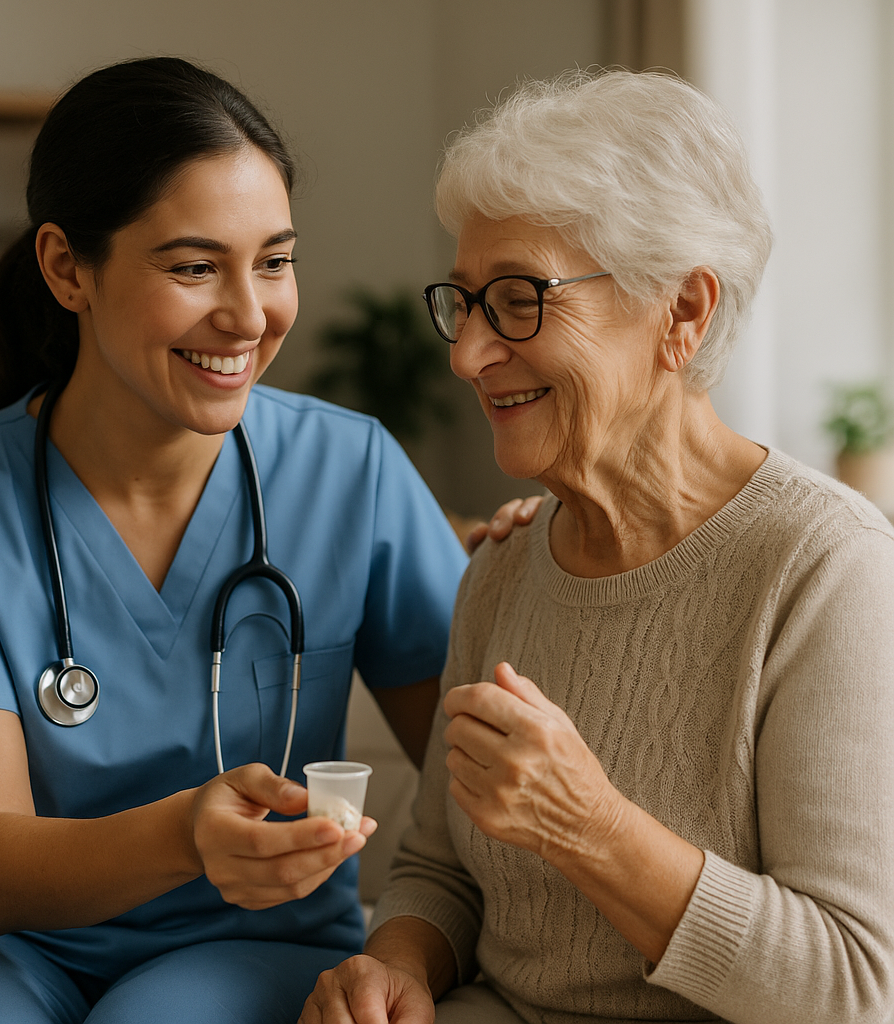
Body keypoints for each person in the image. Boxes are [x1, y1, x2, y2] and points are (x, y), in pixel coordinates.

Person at [0, 56, 473, 1024]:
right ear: (67, 267)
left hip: (254, 938)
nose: (248, 314)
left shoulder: (349, 472)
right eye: (194, 266)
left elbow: (467, 788)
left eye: (274, 261)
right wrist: (186, 834)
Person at [299, 70, 894, 1024]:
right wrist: (399, 964)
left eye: (520, 298)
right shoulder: (501, 569)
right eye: (464, 302)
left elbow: (852, 989)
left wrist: (592, 828)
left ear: (682, 312)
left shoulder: (827, 571)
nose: (467, 355)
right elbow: (436, 870)